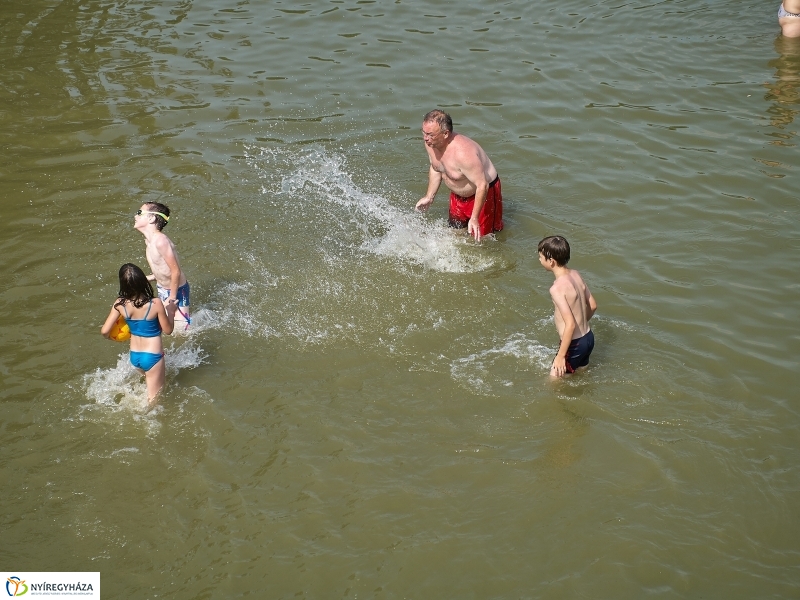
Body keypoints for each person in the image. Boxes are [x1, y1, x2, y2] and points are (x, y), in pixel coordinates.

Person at [415, 109, 503, 241]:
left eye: (430, 134)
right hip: (457, 197)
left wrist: (474, 218)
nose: (425, 138)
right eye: (424, 133)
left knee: (483, 240)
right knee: (454, 233)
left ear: (445, 134)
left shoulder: (463, 154)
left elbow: (482, 185)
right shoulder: (431, 144)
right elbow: (436, 167)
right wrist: (430, 196)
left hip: (484, 195)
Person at [101, 263, 175, 406]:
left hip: (135, 356)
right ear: (142, 281)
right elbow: (168, 330)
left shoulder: (120, 303)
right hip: (152, 356)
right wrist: (171, 311)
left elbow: (104, 331)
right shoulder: (155, 303)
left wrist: (111, 338)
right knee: (155, 402)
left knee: (149, 383)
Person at [538, 236, 598, 378]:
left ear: (551, 261)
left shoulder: (557, 289)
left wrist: (560, 356)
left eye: (540, 257)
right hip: (588, 338)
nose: (539, 260)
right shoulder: (576, 274)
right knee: (580, 377)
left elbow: (570, 324)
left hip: (575, 344)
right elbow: (593, 305)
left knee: (554, 383)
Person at [134, 202, 191, 330]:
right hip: (163, 288)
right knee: (167, 325)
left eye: (139, 213)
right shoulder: (149, 241)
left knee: (183, 330)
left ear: (151, 218)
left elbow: (175, 271)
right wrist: (146, 278)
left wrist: (172, 299)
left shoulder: (161, 241)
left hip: (177, 291)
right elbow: (161, 268)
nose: (135, 216)